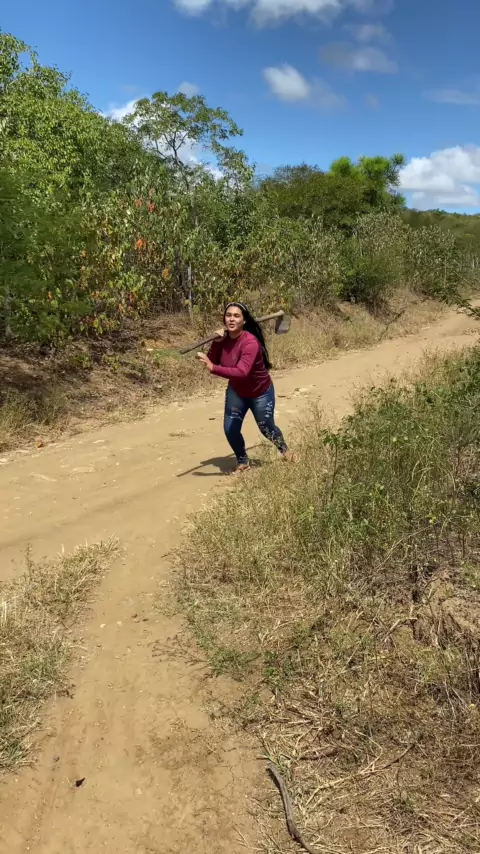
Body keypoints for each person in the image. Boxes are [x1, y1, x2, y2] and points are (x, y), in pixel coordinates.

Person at [197, 302, 291, 472]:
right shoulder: (224, 339)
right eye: (228, 315)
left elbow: (241, 372)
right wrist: (217, 342)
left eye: (236, 316)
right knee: (230, 429)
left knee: (266, 427)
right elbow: (214, 359)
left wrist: (212, 367)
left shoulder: (250, 343)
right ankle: (242, 462)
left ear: (244, 320)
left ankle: (285, 451)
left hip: (260, 393)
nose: (231, 319)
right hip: (237, 392)